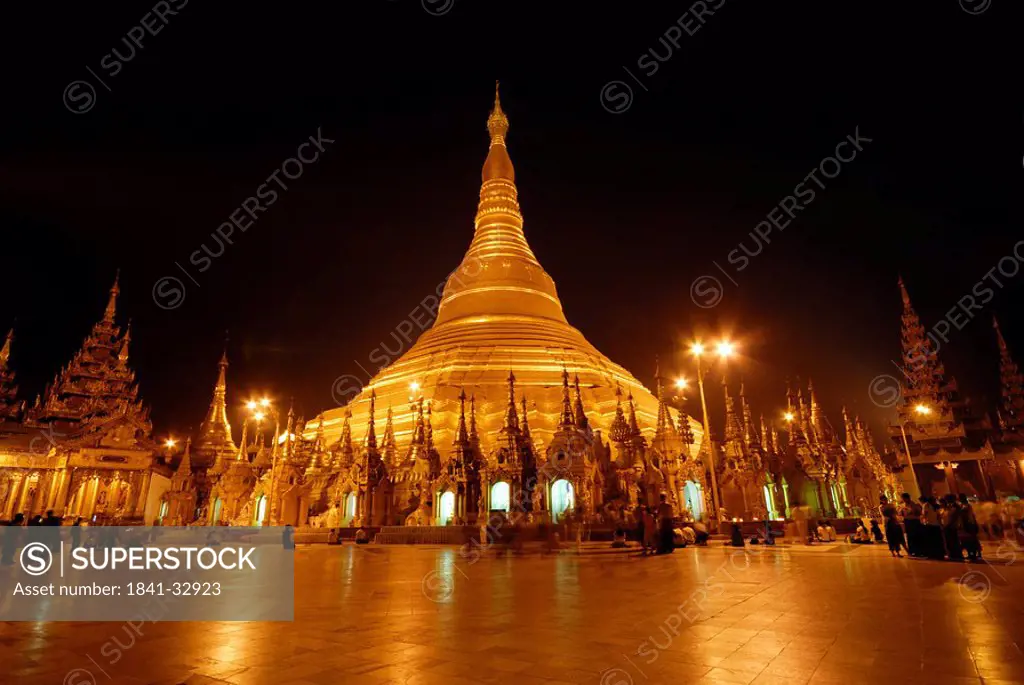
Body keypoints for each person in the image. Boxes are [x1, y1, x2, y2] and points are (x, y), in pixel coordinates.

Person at [958, 494, 982, 561]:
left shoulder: (966, 506)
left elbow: (967, 515)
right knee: (968, 540)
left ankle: (975, 553)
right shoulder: (964, 505)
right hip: (968, 524)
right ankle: (972, 553)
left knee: (972, 540)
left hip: (969, 525)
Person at [900, 492, 923, 557]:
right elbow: (900, 514)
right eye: (903, 499)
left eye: (904, 498)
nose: (904, 500)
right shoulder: (902, 506)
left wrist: (912, 512)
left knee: (916, 536)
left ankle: (919, 551)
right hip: (907, 521)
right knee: (910, 537)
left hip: (915, 521)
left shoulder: (914, 504)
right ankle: (912, 550)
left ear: (908, 498)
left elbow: (919, 513)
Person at [941, 495, 963, 561]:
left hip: (951, 526)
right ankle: (953, 554)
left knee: (953, 541)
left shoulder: (955, 507)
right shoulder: (950, 506)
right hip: (949, 526)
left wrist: (947, 525)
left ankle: (956, 554)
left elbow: (954, 517)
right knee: (951, 541)